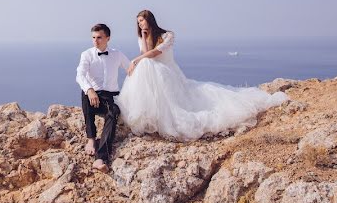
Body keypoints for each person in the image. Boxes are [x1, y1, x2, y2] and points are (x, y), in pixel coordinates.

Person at [117, 9, 287, 141]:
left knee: (144, 63)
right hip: (152, 73)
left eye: (142, 21)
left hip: (168, 73)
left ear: (149, 19)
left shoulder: (167, 35)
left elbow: (155, 53)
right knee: (145, 64)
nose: (139, 24)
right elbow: (147, 54)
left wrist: (136, 60)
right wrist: (145, 38)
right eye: (138, 22)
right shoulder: (142, 37)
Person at [76, 23, 132, 173]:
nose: (96, 40)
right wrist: (90, 90)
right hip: (93, 94)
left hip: (110, 97)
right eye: (93, 37)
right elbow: (80, 74)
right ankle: (91, 139)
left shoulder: (117, 54)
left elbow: (131, 70)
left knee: (113, 113)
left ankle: (100, 158)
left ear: (108, 38)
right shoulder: (86, 54)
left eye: (99, 37)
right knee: (85, 94)